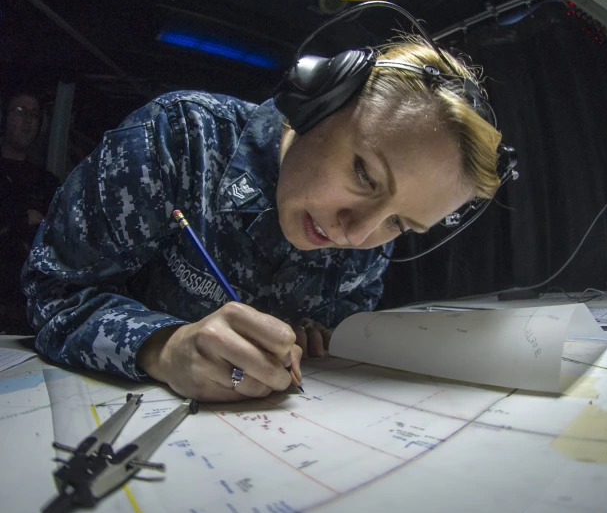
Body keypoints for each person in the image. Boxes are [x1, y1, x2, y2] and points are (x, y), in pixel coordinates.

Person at [22, 35, 503, 402]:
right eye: (364, 175)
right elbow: (52, 293)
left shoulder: (372, 238)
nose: (356, 232)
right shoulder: (179, 138)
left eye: (400, 223)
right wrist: (163, 348)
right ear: (318, 105)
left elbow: (344, 316)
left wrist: (316, 331)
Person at [1, 91, 60, 334]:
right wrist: (22, 219)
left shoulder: (46, 182)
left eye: (34, 114)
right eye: (20, 111)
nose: (28, 120)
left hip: (29, 304)